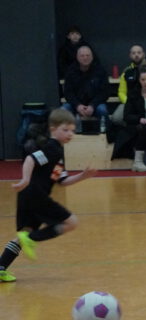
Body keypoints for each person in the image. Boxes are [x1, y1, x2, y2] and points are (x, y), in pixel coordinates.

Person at [1, 109, 96, 283]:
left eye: (72, 130)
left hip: (28, 196)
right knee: (71, 223)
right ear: (53, 129)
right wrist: (25, 179)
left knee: (23, 234)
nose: (70, 134)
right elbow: (30, 159)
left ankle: (1, 268)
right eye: (65, 130)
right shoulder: (52, 148)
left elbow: (62, 180)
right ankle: (32, 239)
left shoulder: (57, 153)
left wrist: (83, 176)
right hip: (35, 195)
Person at [62, 45, 109, 134]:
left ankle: (106, 135)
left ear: (92, 57)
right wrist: (78, 105)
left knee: (102, 110)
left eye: (88, 55)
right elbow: (68, 93)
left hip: (96, 105)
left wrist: (92, 105)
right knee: (63, 110)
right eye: (82, 56)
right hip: (75, 105)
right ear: (77, 57)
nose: (85, 58)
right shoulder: (70, 71)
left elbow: (104, 92)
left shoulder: (100, 70)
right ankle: (64, 137)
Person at [111, 44, 146, 127]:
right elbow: (121, 92)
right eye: (133, 53)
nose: (136, 55)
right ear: (130, 56)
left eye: (139, 53)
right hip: (129, 103)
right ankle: (132, 129)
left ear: (143, 54)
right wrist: (129, 103)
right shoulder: (126, 72)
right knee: (116, 118)